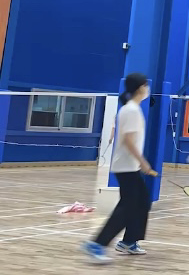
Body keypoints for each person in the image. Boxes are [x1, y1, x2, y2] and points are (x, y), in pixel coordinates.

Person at [83, 73, 154, 263]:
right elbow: (128, 141)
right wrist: (143, 161)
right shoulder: (131, 110)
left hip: (129, 165)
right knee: (128, 206)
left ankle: (129, 241)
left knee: (142, 202)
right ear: (141, 87)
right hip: (126, 165)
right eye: (146, 85)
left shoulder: (132, 109)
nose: (148, 89)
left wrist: (138, 162)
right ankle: (97, 244)